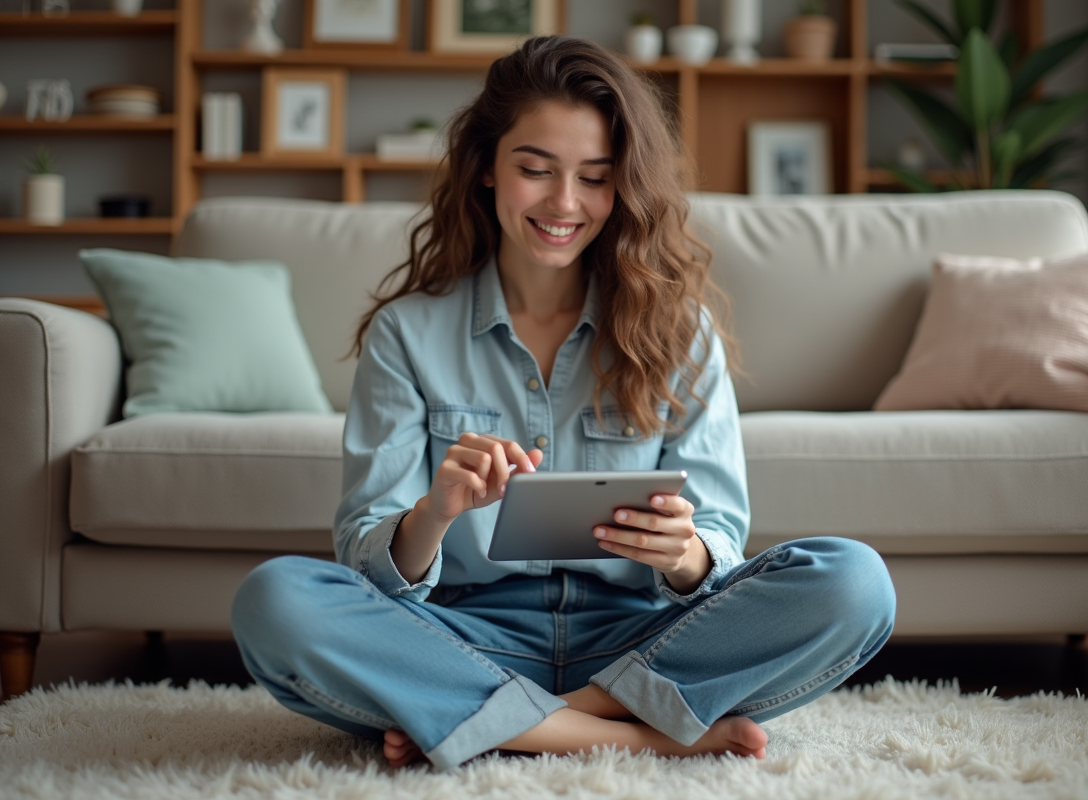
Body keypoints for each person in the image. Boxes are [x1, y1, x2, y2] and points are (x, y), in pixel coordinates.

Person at [230, 35, 896, 772]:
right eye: (535, 170)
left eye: (594, 177)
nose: (564, 203)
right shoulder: (408, 332)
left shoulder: (679, 330)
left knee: (855, 582)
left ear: (624, 187)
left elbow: (719, 539)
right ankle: (639, 731)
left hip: (643, 641)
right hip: (462, 636)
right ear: (486, 168)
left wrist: (684, 553)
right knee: (277, 600)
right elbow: (362, 549)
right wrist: (435, 513)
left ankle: (491, 718)